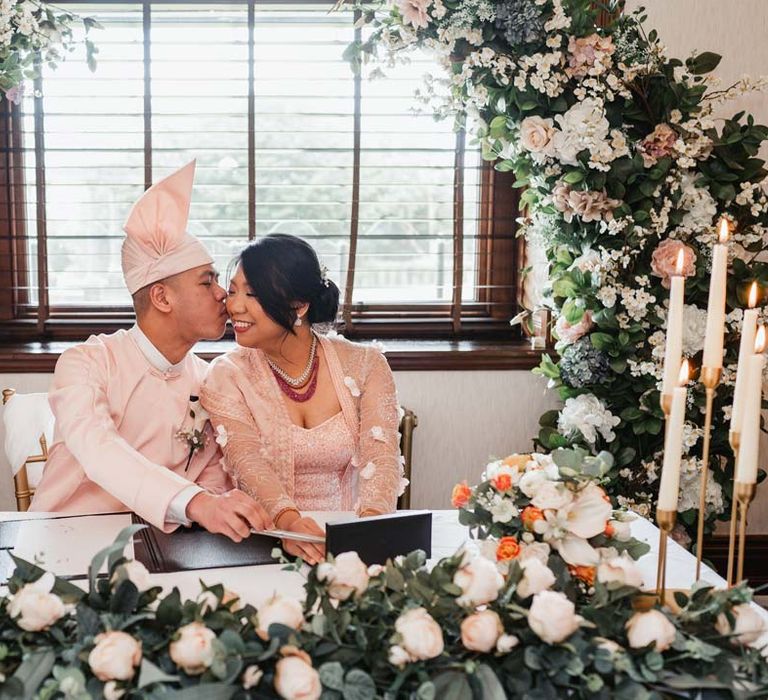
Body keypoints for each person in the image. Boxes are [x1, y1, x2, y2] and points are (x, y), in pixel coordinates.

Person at [30, 161, 272, 541]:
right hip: (64, 540)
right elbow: (98, 448)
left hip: (163, 546)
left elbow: (210, 480)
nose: (223, 294)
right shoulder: (86, 364)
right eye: (207, 281)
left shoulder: (208, 378)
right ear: (161, 297)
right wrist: (197, 502)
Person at [200, 234, 405, 564]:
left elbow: (379, 459)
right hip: (266, 544)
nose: (234, 306)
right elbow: (247, 462)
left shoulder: (367, 365)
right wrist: (290, 525)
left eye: (252, 294)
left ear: (299, 305)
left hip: (352, 541)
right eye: (234, 290)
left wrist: (367, 539)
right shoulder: (226, 375)